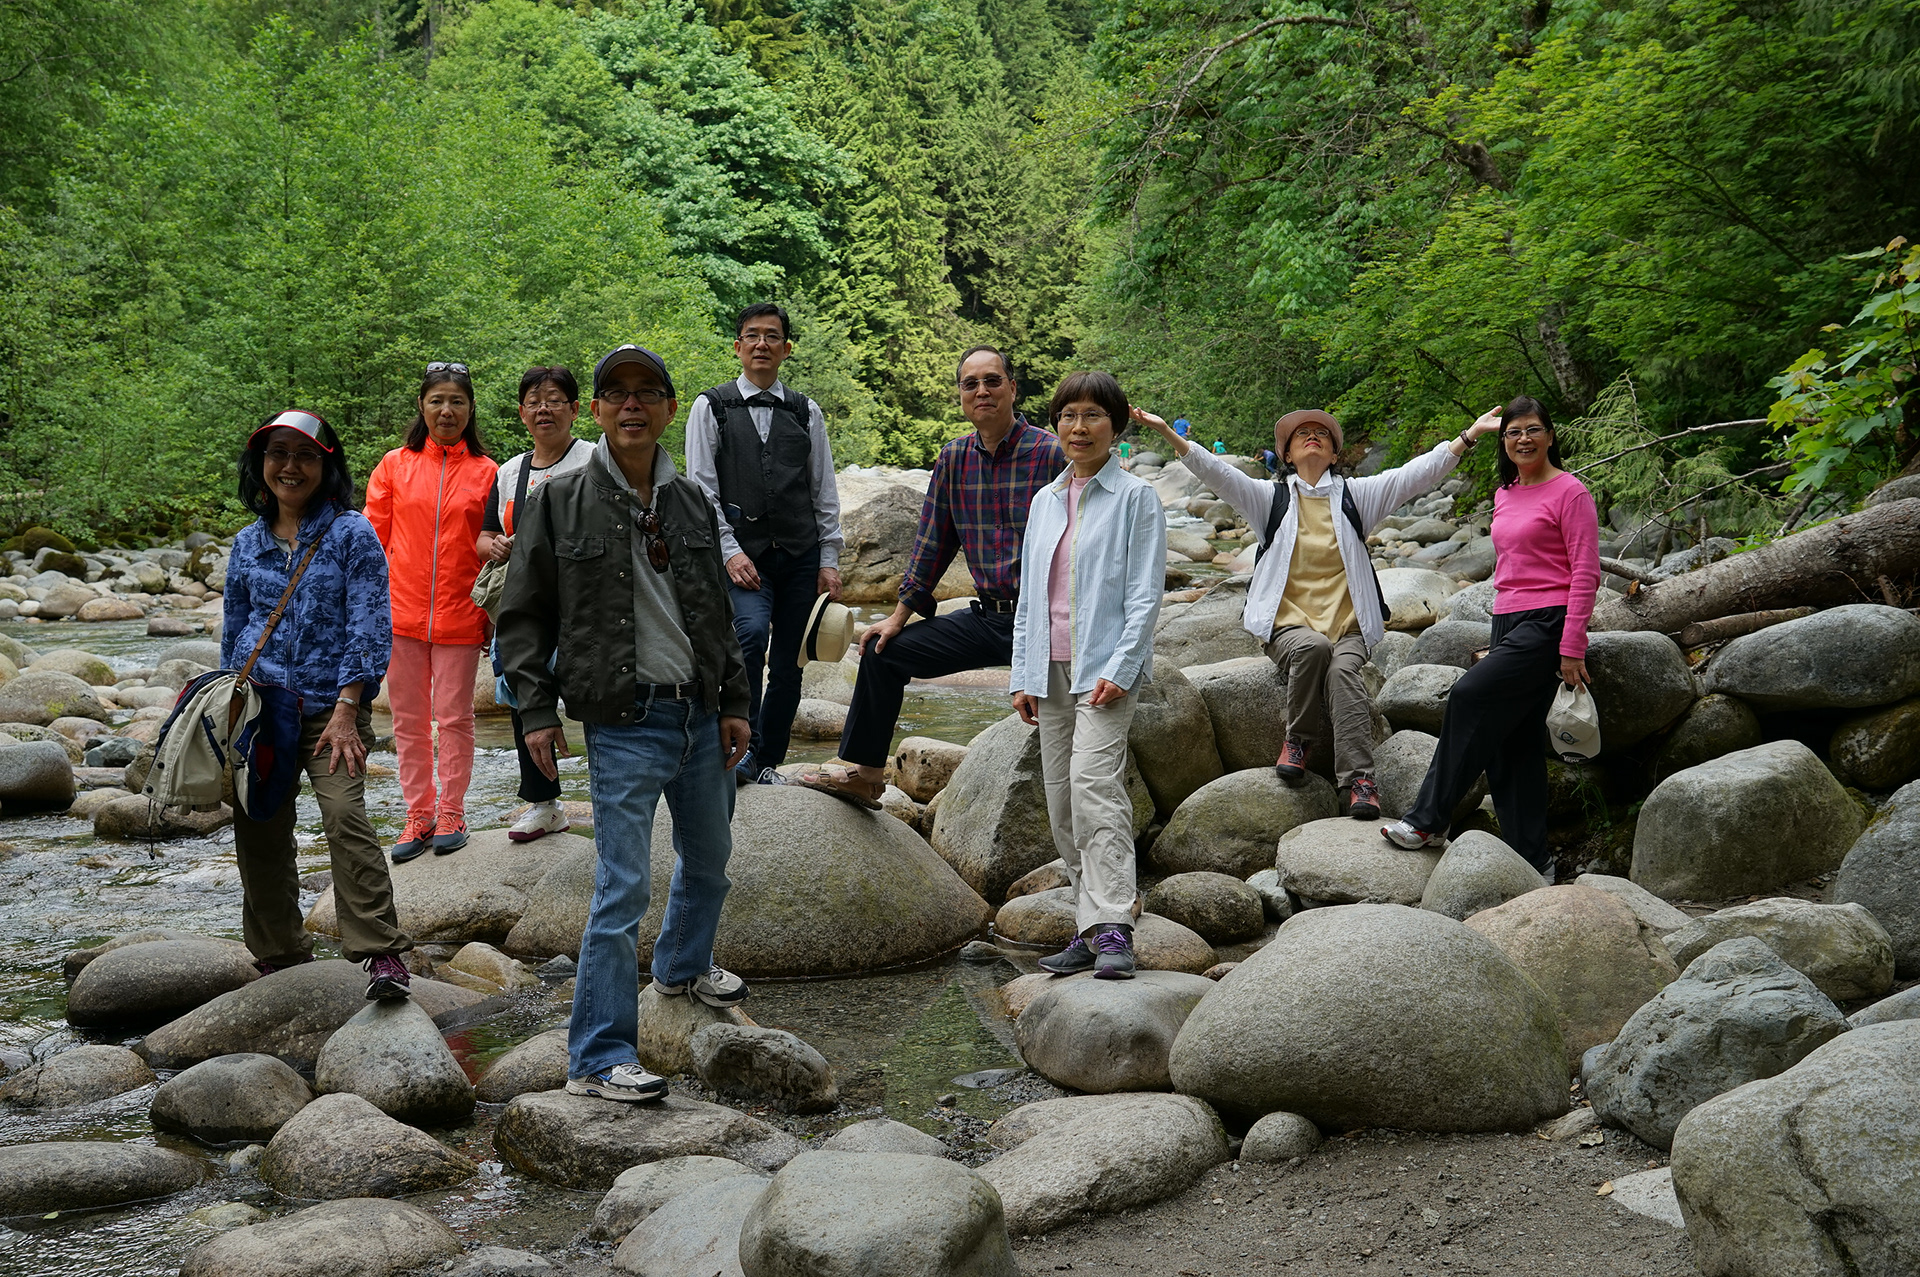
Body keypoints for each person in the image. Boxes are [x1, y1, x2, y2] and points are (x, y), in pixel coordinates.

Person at [497, 344, 753, 1104]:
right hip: (623, 719)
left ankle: (681, 966)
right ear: (598, 411)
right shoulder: (559, 500)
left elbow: (716, 612)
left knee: (711, 861)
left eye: (648, 392)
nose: (632, 404)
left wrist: (735, 700)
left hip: (699, 712)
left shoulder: (692, 500)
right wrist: (535, 711)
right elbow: (521, 616)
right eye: (617, 393)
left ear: (670, 408)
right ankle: (599, 1055)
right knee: (621, 888)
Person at [1135, 403, 1500, 819]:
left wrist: (1468, 436)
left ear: (1334, 453)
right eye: (1302, 433)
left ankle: (1359, 782)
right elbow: (1217, 473)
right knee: (1312, 647)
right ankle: (1298, 740)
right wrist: (1168, 432)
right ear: (1287, 454)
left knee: (1343, 673)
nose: (1313, 436)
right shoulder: (1268, 498)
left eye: (1322, 433)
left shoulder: (1356, 497)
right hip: (1287, 624)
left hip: (1348, 627)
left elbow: (1414, 475)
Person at [795, 346, 1067, 808]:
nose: (982, 391)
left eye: (992, 380)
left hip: (1047, 621)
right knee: (882, 653)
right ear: (961, 395)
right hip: (989, 619)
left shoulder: (1051, 453)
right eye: (970, 384)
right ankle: (866, 776)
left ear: (1012, 388)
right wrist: (897, 617)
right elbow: (932, 544)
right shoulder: (954, 459)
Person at [224, 409, 413, 1000]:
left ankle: (380, 951)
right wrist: (229, 705)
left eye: (305, 455)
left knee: (344, 815)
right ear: (260, 464)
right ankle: (280, 953)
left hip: (333, 706)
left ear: (326, 467)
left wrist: (349, 706)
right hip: (261, 708)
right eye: (278, 454)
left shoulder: (352, 533)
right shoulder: (247, 543)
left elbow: (370, 624)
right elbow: (235, 630)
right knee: (260, 829)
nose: (290, 466)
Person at [1383, 397, 1600, 878]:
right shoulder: (1506, 493)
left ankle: (1428, 820)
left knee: (1468, 695)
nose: (1524, 439)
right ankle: (1534, 859)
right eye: (1513, 431)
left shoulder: (1571, 493)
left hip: (1548, 621)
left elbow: (1586, 572)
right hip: (1506, 619)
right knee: (1513, 743)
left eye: (1533, 429)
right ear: (1503, 442)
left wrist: (1572, 645)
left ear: (1550, 436)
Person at [1012, 372, 1164, 980]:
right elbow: (1030, 596)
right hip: (1048, 667)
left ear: (1116, 425)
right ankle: (1089, 923)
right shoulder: (1045, 501)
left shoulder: (1135, 497)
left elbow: (1145, 594)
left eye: (1093, 415)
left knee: (1094, 787)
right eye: (1069, 416)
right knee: (1061, 801)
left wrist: (1123, 667)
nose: (1079, 427)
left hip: (1104, 667)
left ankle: (1116, 928)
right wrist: (1022, 673)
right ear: (1056, 425)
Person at [685, 303, 843, 786]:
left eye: (772, 336)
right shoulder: (710, 406)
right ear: (738, 346)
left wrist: (830, 558)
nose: (761, 344)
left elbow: (823, 489)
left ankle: (767, 760)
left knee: (792, 664)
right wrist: (729, 551)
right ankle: (742, 749)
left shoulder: (805, 410)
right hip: (741, 554)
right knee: (749, 638)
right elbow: (701, 491)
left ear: (786, 349)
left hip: (800, 554)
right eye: (752, 336)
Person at [365, 362, 497, 862]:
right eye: (437, 400)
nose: (446, 410)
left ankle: (452, 812)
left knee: (456, 718)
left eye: (456, 401)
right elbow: (372, 542)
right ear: (421, 406)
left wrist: (491, 614)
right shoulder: (394, 465)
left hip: (461, 613)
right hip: (400, 615)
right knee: (408, 720)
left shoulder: (488, 472)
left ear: (470, 409)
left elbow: (494, 548)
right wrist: (368, 609)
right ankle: (418, 813)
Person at [476, 366, 592, 843]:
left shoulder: (595, 459)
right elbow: (484, 536)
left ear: (575, 409)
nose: (544, 409)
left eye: (555, 399)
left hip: (584, 602)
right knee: (525, 697)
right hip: (525, 603)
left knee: (596, 694)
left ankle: (613, 789)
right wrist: (495, 546)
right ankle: (544, 804)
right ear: (522, 412)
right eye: (533, 401)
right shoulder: (509, 472)